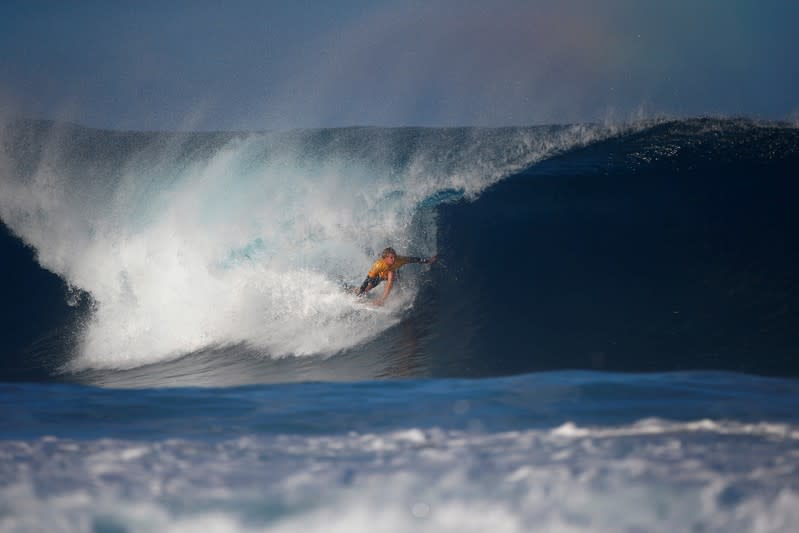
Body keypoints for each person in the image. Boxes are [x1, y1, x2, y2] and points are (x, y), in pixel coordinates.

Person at [355, 247, 437, 306]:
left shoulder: (399, 260)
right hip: (381, 275)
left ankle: (381, 301)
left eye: (394, 257)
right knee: (368, 286)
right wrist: (361, 291)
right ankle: (357, 292)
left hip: (393, 273)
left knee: (391, 276)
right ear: (385, 258)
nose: (393, 259)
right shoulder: (378, 265)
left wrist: (428, 261)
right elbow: (367, 279)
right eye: (391, 258)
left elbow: (414, 259)